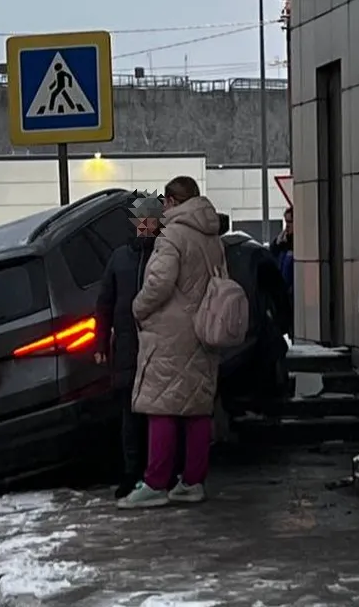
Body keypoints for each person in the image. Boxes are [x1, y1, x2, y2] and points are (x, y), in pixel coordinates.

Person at [118, 176, 225, 508]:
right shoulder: (212, 236)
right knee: (196, 408)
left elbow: (160, 283)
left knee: (160, 406)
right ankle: (192, 481)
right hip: (205, 329)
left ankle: (155, 483)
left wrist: (138, 307)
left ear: (171, 202)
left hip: (171, 332)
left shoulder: (171, 235)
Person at [95, 191, 164, 499]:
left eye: (149, 219)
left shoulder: (165, 255)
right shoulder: (120, 257)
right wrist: (100, 342)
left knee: (158, 415)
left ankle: (156, 472)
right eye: (140, 219)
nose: (144, 225)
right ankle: (131, 472)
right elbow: (105, 302)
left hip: (158, 348)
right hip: (127, 348)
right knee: (130, 415)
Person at [216, 214, 292, 408]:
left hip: (224, 339)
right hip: (256, 337)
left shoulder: (213, 255)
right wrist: (282, 323)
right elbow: (279, 294)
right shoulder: (256, 253)